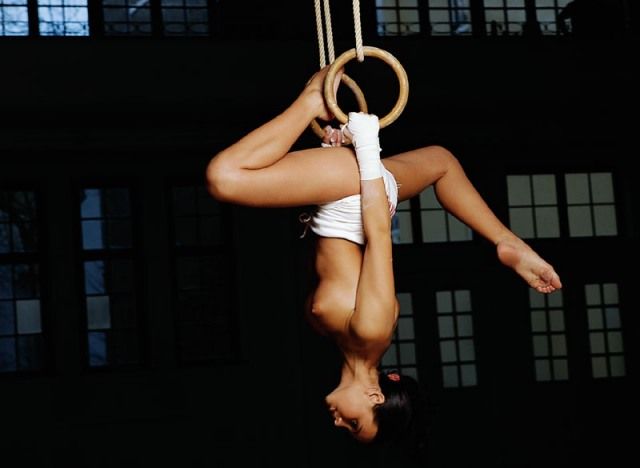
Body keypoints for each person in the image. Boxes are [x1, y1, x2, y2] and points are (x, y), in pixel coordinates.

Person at [205, 66, 562, 454]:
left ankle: (506, 242)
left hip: (346, 197)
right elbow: (378, 238)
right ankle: (312, 101)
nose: (338, 422)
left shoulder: (343, 342)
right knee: (224, 178)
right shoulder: (371, 333)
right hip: (357, 197)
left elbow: (335, 253)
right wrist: (366, 146)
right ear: (376, 398)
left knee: (442, 163)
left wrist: (332, 154)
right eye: (354, 424)